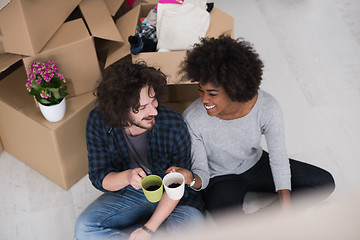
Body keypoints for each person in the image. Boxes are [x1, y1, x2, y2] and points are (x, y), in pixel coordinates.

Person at [166, 35, 335, 216]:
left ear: (234, 89)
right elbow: (203, 176)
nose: (204, 99)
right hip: (220, 178)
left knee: (324, 182)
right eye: (200, 90)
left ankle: (261, 221)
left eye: (212, 94)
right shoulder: (193, 118)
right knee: (230, 222)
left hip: (256, 165)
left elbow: (278, 160)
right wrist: (191, 179)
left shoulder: (267, 107)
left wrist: (286, 208)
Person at [74, 61, 204, 240]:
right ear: (120, 111)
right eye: (142, 108)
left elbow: (177, 186)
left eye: (153, 100)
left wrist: (149, 229)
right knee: (84, 228)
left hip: (174, 200)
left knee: (195, 223)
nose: (154, 111)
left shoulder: (173, 123)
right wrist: (127, 177)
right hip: (131, 193)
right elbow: (99, 177)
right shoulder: (98, 121)